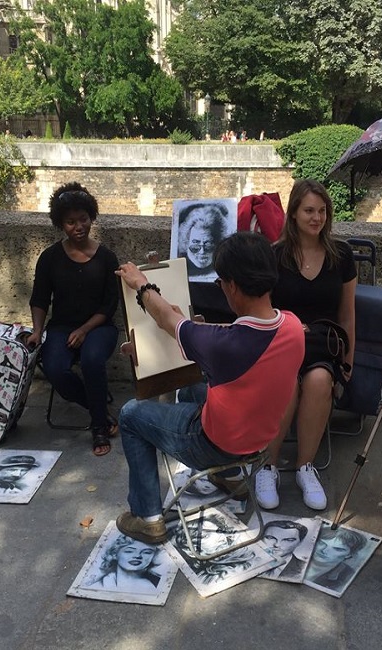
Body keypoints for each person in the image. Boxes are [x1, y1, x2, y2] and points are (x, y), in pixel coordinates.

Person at [113, 231, 305, 545]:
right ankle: (230, 477)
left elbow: (164, 317)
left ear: (231, 286)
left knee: (131, 415)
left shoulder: (222, 345)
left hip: (213, 443)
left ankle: (146, 517)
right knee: (191, 388)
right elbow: (222, 337)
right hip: (259, 442)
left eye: (220, 283)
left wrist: (141, 283)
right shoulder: (293, 326)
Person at [256, 179, 357, 511]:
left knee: (318, 380)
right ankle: (267, 466)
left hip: (323, 345)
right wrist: (286, 325)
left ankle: (304, 466)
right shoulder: (274, 255)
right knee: (285, 381)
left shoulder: (341, 256)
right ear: (294, 214)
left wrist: (348, 362)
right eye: (309, 211)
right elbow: (262, 311)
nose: (317, 218)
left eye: (322, 211)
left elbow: (347, 315)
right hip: (282, 343)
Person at [26, 182, 120, 457]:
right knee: (55, 369)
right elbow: (40, 298)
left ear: (91, 219)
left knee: (92, 361)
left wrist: (85, 329)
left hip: (99, 327)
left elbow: (109, 305)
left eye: (83, 219)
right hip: (62, 328)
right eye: (70, 222)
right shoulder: (50, 258)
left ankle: (99, 427)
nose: (78, 226)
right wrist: (37, 331)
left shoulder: (106, 258)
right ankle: (99, 408)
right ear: (60, 224)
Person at [177, 202, 231, 282]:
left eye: (208, 246)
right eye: (195, 246)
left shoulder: (223, 270)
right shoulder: (179, 269)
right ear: (186, 242)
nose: (202, 252)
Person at [89, 536, 164, 593]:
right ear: (115, 554)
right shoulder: (100, 584)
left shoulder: (157, 584)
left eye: (147, 552)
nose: (137, 556)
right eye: (129, 551)